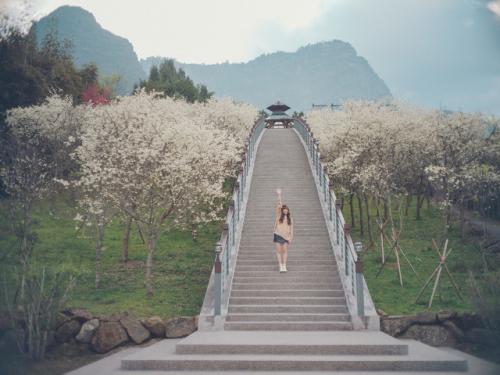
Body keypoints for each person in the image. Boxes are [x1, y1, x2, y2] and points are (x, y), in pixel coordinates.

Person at [273, 188, 293, 272]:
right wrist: (279, 195)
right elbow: (280, 204)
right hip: (278, 234)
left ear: (288, 211)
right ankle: (280, 265)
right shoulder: (278, 215)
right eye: (283, 209)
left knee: (284, 250)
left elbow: (292, 229)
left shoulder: (290, 218)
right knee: (278, 250)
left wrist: (291, 237)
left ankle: (284, 265)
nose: (285, 210)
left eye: (286, 209)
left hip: (286, 236)